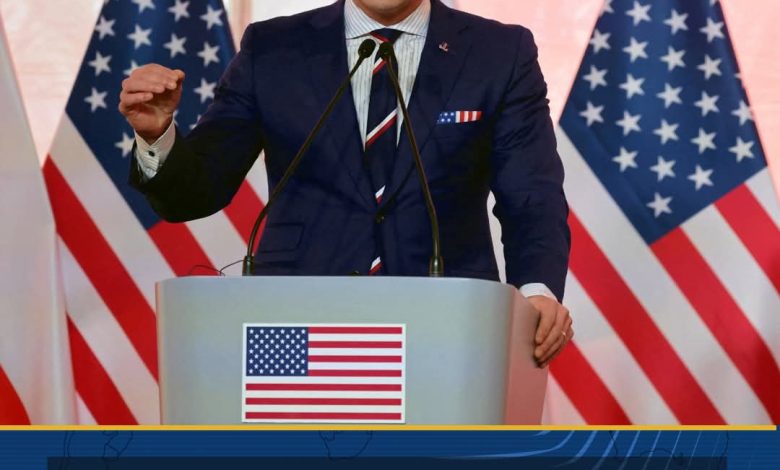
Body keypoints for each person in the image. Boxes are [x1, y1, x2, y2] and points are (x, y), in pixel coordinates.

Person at [119, 0, 573, 367]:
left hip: (451, 327)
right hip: (292, 327)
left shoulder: (499, 52)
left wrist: (536, 291)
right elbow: (195, 193)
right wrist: (157, 136)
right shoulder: (272, 48)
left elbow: (531, 194)